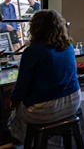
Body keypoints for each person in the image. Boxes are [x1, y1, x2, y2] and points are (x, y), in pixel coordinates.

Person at [9, 10, 80, 144]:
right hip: (73, 102)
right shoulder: (68, 47)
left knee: (13, 113)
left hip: (46, 109)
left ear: (35, 27)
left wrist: (12, 103)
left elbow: (21, 88)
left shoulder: (33, 51)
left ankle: (18, 142)